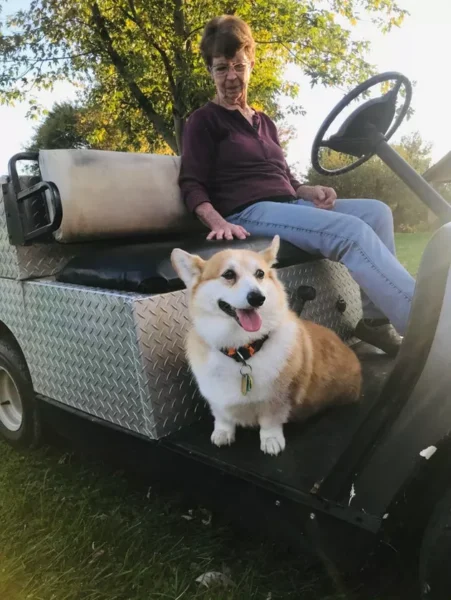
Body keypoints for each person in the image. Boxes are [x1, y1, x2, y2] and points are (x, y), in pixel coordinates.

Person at [178, 15, 416, 356]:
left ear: (251, 63)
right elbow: (191, 182)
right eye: (221, 68)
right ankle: (431, 328)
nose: (231, 76)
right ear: (210, 71)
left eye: (238, 65)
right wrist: (218, 222)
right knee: (351, 232)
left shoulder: (265, 122)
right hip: (250, 210)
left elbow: (284, 177)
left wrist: (308, 191)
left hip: (290, 205)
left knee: (376, 212)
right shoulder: (204, 121)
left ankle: (376, 324)